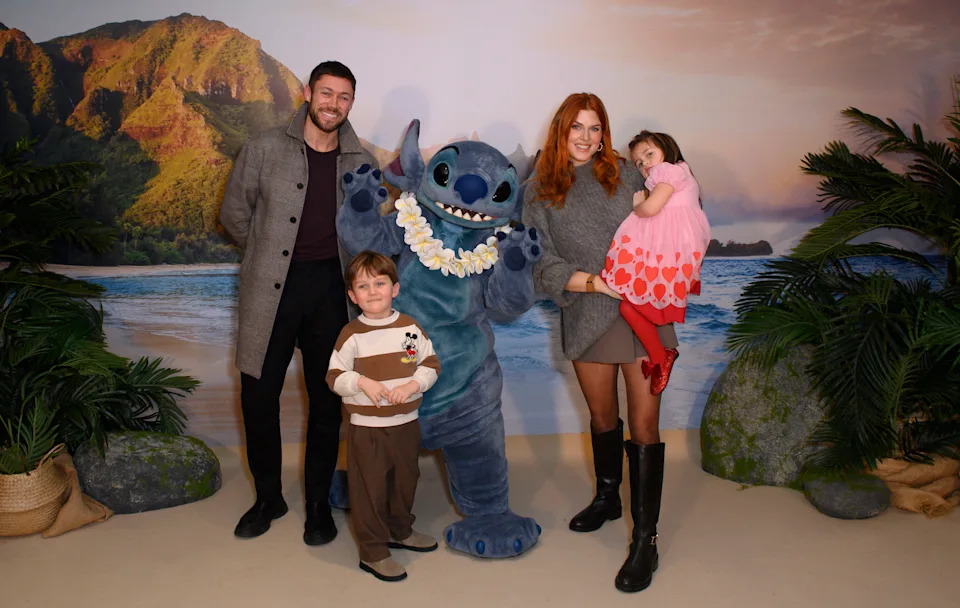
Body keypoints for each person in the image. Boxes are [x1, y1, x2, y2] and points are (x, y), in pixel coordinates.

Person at [219, 60, 378, 544]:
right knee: (258, 397)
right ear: (308, 92)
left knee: (328, 401)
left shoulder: (361, 161)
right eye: (326, 93)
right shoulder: (264, 148)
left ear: (352, 102)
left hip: (332, 291)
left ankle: (317, 502)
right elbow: (233, 214)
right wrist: (266, 256)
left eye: (344, 97)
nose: (333, 104)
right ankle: (269, 498)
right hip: (273, 288)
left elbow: (371, 231)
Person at [522, 93, 676, 593]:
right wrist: (592, 282)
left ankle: (645, 540)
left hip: (644, 314)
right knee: (604, 417)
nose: (587, 138)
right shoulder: (538, 192)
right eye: (577, 128)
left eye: (596, 128)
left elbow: (675, 214)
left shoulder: (629, 173)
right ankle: (609, 498)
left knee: (645, 423)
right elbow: (540, 264)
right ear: (560, 131)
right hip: (589, 311)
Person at [327, 251, 441, 582]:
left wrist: (413, 384)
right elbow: (334, 377)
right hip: (367, 430)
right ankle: (374, 551)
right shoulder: (351, 334)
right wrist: (360, 381)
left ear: (395, 288)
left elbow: (430, 364)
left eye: (380, 283)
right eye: (363, 286)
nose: (373, 291)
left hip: (406, 425)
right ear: (352, 295)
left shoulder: (410, 328)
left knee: (405, 482)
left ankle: (400, 531)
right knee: (369, 490)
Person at [602, 131, 710, 395]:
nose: (646, 164)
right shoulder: (680, 174)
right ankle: (661, 356)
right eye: (639, 162)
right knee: (630, 306)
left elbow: (650, 210)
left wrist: (639, 204)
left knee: (631, 306)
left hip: (670, 254)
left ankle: (662, 357)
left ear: (667, 149)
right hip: (671, 253)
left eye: (649, 154)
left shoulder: (669, 171)